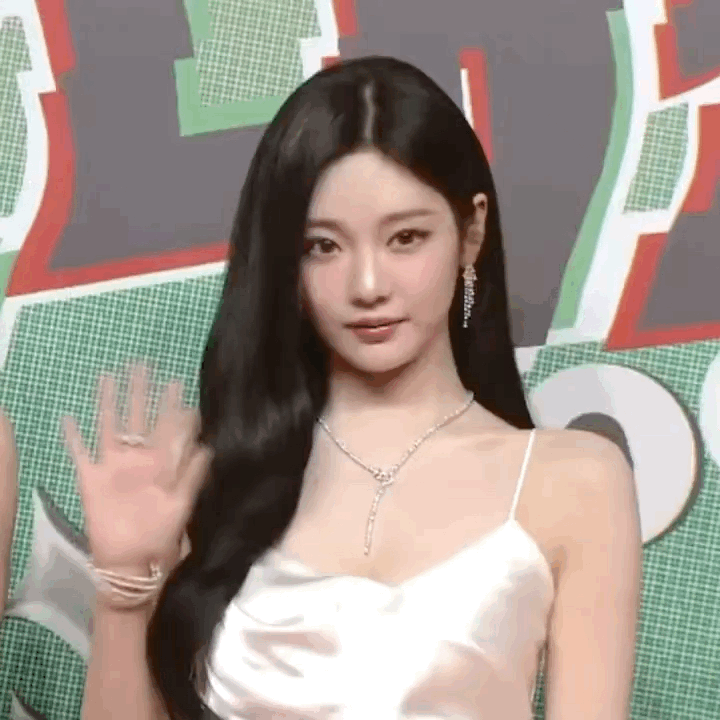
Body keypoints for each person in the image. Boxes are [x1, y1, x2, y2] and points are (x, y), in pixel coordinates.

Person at [64, 56, 643, 720]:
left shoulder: (575, 481)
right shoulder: (212, 474)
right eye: (323, 247)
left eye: (405, 238)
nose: (367, 285)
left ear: (471, 231)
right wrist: (124, 592)